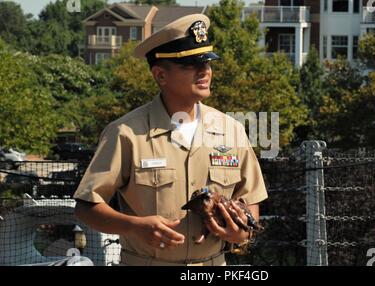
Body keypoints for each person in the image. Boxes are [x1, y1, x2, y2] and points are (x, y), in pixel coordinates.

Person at [73, 13, 268, 266]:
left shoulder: (231, 129)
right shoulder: (126, 133)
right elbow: (86, 206)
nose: (204, 71)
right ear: (160, 75)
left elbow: (250, 199)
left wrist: (241, 231)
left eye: (207, 63)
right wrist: (134, 226)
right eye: (190, 65)